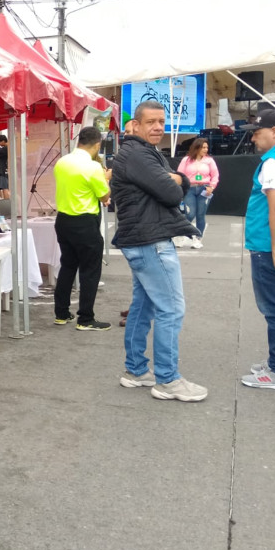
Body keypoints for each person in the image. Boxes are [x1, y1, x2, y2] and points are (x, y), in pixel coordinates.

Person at [110, 102, 207, 402]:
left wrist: (177, 179)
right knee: (171, 309)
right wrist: (177, 180)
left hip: (143, 237)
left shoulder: (140, 153)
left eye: (161, 121)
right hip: (150, 239)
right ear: (135, 125)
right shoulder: (138, 154)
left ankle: (136, 370)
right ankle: (167, 380)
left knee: (144, 306)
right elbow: (170, 191)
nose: (157, 127)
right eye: (150, 121)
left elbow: (173, 182)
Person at [239, 108, 275, 389]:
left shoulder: (274, 161)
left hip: (271, 245)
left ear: (274, 131)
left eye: (257, 133)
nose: (254, 139)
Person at [52, 126, 112, 330]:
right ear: (97, 145)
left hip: (63, 220)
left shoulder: (62, 162)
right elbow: (104, 197)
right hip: (85, 221)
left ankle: (61, 313)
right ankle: (85, 319)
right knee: (90, 271)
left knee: (67, 266)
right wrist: (106, 179)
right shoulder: (93, 167)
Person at [177, 137, 219, 248]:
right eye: (203, 147)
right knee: (190, 213)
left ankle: (198, 239)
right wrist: (181, 188)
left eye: (207, 147)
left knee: (201, 215)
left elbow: (215, 175)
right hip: (190, 188)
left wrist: (211, 187)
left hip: (204, 189)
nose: (205, 149)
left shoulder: (209, 160)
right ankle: (182, 234)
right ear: (197, 148)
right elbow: (180, 174)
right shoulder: (186, 160)